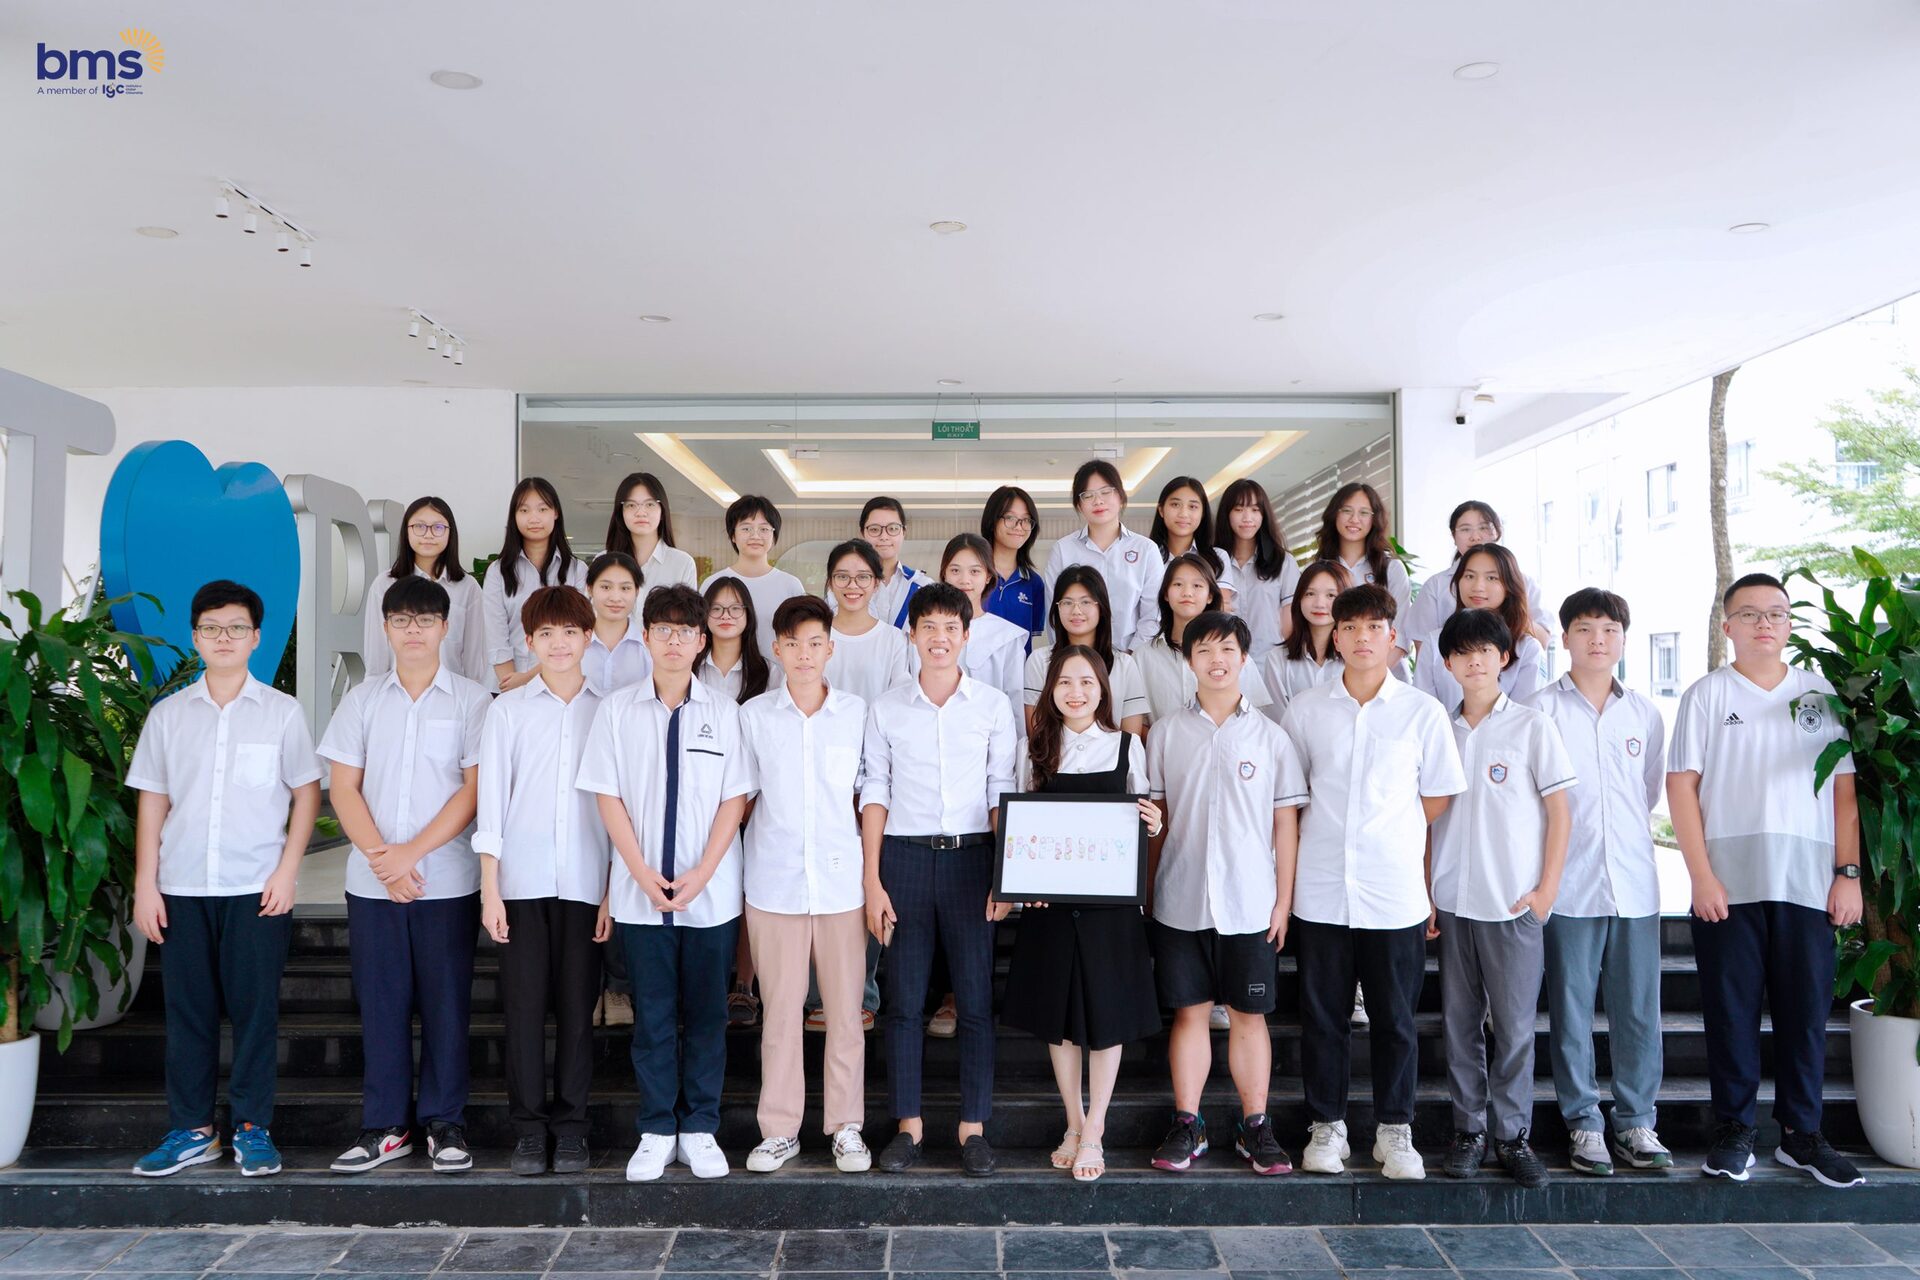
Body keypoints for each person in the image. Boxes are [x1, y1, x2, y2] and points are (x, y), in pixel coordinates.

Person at [1669, 572, 1865, 1188]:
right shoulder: (1706, 695)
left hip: (1808, 882)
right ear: (1728, 626)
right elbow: (1682, 787)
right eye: (1750, 614)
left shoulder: (1817, 693)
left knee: (1805, 1014)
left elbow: (1844, 792)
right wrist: (1700, 876)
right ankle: (1735, 1131)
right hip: (1728, 885)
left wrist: (1848, 874)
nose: (1764, 624)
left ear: (1788, 625)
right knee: (1730, 1013)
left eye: (1776, 614)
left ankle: (1802, 1136)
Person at [128, 581, 323, 1179]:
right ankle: (193, 1130)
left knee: (254, 1012)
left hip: (256, 887)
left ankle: (252, 1127)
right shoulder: (168, 716)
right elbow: (153, 801)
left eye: (236, 628)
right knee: (188, 1012)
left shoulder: (283, 712)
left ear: (256, 637)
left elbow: (306, 793)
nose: (224, 638)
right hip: (183, 885)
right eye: (211, 628)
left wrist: (288, 870)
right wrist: (145, 883)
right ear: (195, 637)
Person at [1281, 583, 1466, 1181]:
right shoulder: (1306, 710)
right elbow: (1292, 797)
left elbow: (1435, 797)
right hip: (1322, 890)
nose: (1362, 637)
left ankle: (1395, 1131)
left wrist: (1392, 834)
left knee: (1395, 1020)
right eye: (1350, 627)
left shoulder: (1422, 711)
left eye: (1374, 627)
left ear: (1392, 637)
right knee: (1323, 1019)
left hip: (1393, 892)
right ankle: (1327, 1127)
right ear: (1335, 637)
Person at [575, 584, 753, 1183]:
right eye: (663, 630)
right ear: (646, 637)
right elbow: (607, 796)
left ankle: (699, 1127)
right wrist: (638, 871)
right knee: (651, 1017)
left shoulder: (724, 713)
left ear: (702, 641)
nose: (674, 641)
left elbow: (734, 799)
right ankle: (655, 1128)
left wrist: (703, 872)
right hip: (640, 894)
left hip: (711, 897)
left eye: (685, 631)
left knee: (706, 1016)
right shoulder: (616, 710)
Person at [320, 576, 490, 1176]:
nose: (413, 630)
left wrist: (410, 853)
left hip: (447, 880)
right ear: (386, 628)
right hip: (373, 885)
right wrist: (382, 859)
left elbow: (473, 791)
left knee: (447, 1007)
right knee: (382, 1005)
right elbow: (343, 787)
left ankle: (445, 1123)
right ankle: (386, 1126)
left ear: (445, 627)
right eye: (401, 620)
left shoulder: (473, 701)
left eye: (424, 620)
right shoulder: (362, 700)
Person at [861, 583, 1018, 1178]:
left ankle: (973, 1129)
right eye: (928, 626)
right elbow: (875, 790)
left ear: (966, 635)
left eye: (951, 627)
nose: (939, 637)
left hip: (972, 861)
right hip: (903, 860)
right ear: (912, 634)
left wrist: (1005, 875)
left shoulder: (992, 706)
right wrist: (873, 881)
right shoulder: (886, 707)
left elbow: (1001, 791)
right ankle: (909, 1127)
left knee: (975, 1001)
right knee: (903, 1003)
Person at [1146, 612, 1308, 1178]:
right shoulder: (1166, 733)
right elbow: (1156, 818)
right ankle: (1187, 1124)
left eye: (1228, 650)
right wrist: (1147, 892)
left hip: (1250, 901)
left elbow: (1285, 824)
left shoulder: (1272, 737)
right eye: (1205, 650)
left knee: (1249, 1016)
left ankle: (1255, 1126)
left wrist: (1282, 902)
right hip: (1180, 896)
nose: (1217, 660)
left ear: (1244, 658)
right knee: (1189, 1015)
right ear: (1188, 660)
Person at [1522, 587, 1672, 1176]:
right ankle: (1583, 1122)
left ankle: (1636, 1121)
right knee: (1571, 1010)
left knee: (1638, 1011)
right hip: (1570, 884)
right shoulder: (1540, 710)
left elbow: (1647, 791)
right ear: (1564, 638)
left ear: (1624, 640)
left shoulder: (1645, 714)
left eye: (1609, 630)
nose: (1598, 640)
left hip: (1634, 883)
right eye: (1585, 629)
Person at [1002, 646, 1164, 1183]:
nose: (1076, 692)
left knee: (1107, 1015)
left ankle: (1096, 1128)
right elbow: (1020, 825)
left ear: (1103, 691)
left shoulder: (1126, 746)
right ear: (1050, 689)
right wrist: (1024, 884)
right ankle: (1073, 1121)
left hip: (1109, 906)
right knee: (1060, 1017)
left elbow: (1142, 817)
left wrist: (1154, 823)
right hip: (1050, 905)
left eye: (1087, 682)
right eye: (1065, 682)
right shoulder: (1034, 749)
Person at [1429, 608, 1575, 1190]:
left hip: (1513, 903)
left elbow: (1561, 811)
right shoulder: (1437, 728)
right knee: (1460, 1024)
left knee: (1514, 1028)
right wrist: (1426, 890)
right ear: (1447, 663)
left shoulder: (1532, 726)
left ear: (1505, 658)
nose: (1475, 662)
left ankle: (1513, 1136)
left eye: (1485, 651)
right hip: (1452, 901)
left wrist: (1546, 891)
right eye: (1462, 653)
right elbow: (1424, 818)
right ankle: (1469, 1132)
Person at [474, 586, 611, 1178]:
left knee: (578, 1014)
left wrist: (612, 891)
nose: (559, 644)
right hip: (521, 883)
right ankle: (529, 1131)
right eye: (546, 634)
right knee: (524, 1012)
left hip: (587, 882)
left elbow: (620, 807)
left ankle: (572, 1129)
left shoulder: (609, 711)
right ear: (529, 641)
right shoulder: (507, 711)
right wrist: (490, 888)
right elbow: (491, 802)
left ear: (588, 638)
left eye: (570, 632)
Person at [738, 596, 875, 1175]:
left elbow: (870, 795)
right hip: (775, 884)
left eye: (814, 643)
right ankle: (780, 1130)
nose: (803, 654)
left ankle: (846, 1128)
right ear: (776, 648)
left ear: (830, 649)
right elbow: (739, 800)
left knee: (845, 1014)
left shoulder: (856, 713)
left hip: (842, 884)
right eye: (792, 643)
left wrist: (873, 876)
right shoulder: (754, 716)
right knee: (780, 1014)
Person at [363, 496, 489, 686]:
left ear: (450, 533)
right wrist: (373, 692)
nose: (428, 534)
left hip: (451, 694)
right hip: (395, 693)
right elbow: (376, 657)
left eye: (438, 527)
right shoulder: (384, 584)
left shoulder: (468, 587)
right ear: (406, 531)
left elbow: (475, 659)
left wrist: (473, 694)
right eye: (419, 526)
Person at [1135, 553, 1270, 727]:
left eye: (1197, 585)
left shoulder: (1233, 654)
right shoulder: (1143, 656)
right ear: (1166, 594)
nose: (1187, 593)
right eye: (1178, 584)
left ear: (1210, 596)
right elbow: (1138, 723)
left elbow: (1256, 717)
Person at [1043, 460, 1164, 652]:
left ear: (1121, 496)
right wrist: (1070, 656)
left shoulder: (1146, 549)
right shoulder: (1063, 550)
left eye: (1106, 492)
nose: (1098, 501)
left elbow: (1153, 615)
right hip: (1076, 658)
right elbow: (1054, 612)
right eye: (1087, 495)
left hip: (1131, 657)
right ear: (1079, 505)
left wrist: (1130, 658)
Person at [1402, 500, 1551, 656]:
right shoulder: (1436, 585)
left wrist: (1514, 612)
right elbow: (1425, 650)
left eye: (1483, 528)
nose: (1475, 537)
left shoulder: (1523, 582)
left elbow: (1542, 642)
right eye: (1465, 529)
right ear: (1453, 536)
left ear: (1497, 532)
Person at [483, 477, 588, 693]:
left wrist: (527, 679)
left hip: (560, 685)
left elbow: (578, 633)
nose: (534, 518)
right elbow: (496, 636)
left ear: (555, 513)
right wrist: (512, 687)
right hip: (505, 685)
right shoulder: (498, 571)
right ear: (514, 516)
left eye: (542, 509)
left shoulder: (577, 571)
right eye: (524, 510)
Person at [1413, 544, 1547, 712]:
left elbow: (1526, 716)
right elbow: (1423, 711)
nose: (1477, 587)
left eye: (1491, 578)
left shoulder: (1528, 648)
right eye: (1469, 576)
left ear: (1509, 586)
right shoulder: (1434, 641)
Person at [1022, 565, 1149, 737]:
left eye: (1086, 602)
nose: (1076, 610)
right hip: (1054, 754)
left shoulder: (1124, 664)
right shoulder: (1039, 661)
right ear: (1057, 608)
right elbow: (1036, 732)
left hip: (1112, 755)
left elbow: (1130, 738)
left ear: (1101, 607)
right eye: (1067, 602)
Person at [920, 533, 1026, 721]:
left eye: (975, 571)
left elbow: (1014, 706)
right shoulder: (921, 631)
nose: (964, 580)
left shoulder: (1007, 637)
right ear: (944, 574)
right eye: (955, 570)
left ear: (988, 576)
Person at [1313, 482, 1411, 665]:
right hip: (1332, 671)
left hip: (1386, 671)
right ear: (1334, 514)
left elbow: (1401, 636)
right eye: (1347, 511)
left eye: (1364, 513)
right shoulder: (1318, 570)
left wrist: (1369, 676)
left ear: (1375, 519)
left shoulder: (1392, 569)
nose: (1354, 519)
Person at [700, 494, 805, 660]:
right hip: (724, 673)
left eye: (764, 529)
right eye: (746, 528)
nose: (755, 536)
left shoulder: (790, 585)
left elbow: (801, 636)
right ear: (733, 535)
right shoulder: (713, 583)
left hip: (778, 673)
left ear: (774, 536)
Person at [1212, 478, 1299, 660]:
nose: (1247, 518)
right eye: (1239, 509)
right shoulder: (1213, 562)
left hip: (1269, 663)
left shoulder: (1284, 562)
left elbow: (1291, 621)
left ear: (1263, 514)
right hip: (1223, 661)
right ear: (1227, 514)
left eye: (1255, 510)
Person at [1259, 560, 1350, 723]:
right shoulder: (1277, 659)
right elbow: (1277, 720)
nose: (1319, 604)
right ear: (1299, 599)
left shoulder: (1355, 657)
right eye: (1310, 594)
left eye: (1331, 595)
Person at [823, 538, 912, 705]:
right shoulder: (815, 637)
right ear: (830, 583)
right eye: (842, 576)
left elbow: (899, 700)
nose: (852, 585)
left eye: (863, 577)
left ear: (876, 583)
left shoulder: (894, 640)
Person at [602, 471, 699, 611]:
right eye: (631, 505)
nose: (641, 512)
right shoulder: (604, 561)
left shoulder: (682, 563)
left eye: (649, 504)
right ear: (621, 512)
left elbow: (688, 618)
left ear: (662, 511)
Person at [1147, 475, 1239, 605]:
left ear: (1203, 513)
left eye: (1193, 507)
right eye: (1175, 504)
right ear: (1161, 510)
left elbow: (1221, 607)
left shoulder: (1217, 558)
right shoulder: (1147, 555)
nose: (1183, 514)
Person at [856, 496, 937, 630]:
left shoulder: (923, 586)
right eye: (874, 529)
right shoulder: (847, 586)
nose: (884, 536)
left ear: (903, 532)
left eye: (893, 528)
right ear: (862, 533)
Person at [981, 484, 1047, 648]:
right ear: (992, 521)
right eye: (1010, 518)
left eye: (1026, 520)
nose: (1019, 526)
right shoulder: (974, 575)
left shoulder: (1034, 583)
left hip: (1020, 664)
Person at [581, 552, 652, 698]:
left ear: (636, 591)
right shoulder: (573, 644)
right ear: (590, 589)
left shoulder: (650, 648)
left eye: (625, 588)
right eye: (606, 587)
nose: (615, 598)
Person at [697, 576, 777, 704]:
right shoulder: (690, 668)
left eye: (735, 608)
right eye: (716, 608)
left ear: (748, 614)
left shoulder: (770, 672)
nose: (725, 616)